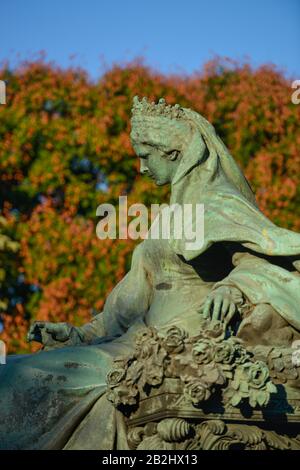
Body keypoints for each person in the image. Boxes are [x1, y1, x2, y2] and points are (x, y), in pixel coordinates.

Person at [1, 97, 300, 450]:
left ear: (172, 153)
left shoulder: (218, 205)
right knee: (13, 371)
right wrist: (78, 334)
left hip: (178, 340)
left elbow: (267, 263)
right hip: (132, 340)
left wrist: (231, 290)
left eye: (146, 155)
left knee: (39, 380)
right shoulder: (163, 220)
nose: (142, 168)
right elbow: (127, 306)